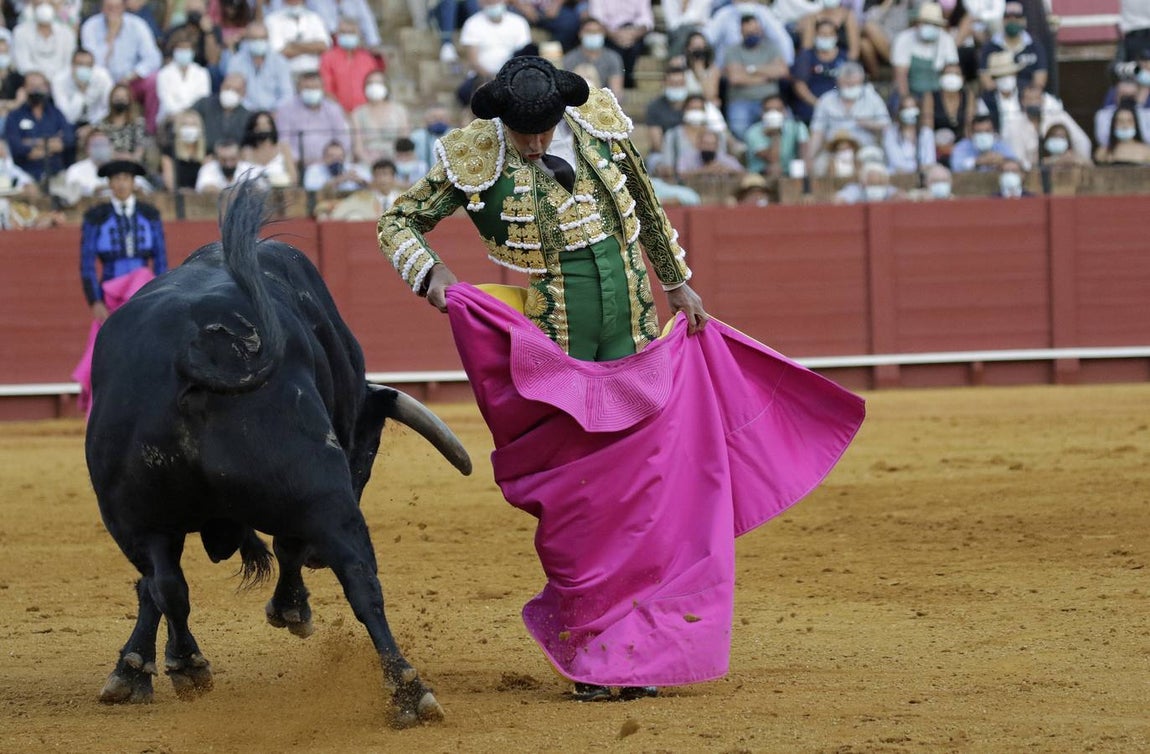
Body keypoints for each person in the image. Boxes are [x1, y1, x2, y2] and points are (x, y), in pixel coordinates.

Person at [377, 54, 863, 704]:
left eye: (544, 130)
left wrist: (678, 282)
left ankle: (640, 646)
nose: (536, 144)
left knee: (647, 496)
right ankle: (589, 648)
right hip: (558, 355)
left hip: (634, 333)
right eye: (524, 134)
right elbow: (396, 221)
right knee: (582, 505)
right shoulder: (474, 155)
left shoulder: (599, 124)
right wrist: (431, 274)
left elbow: (646, 204)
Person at [75, 158, 167, 411]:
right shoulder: (96, 217)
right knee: (108, 352)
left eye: (126, 178)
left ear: (134, 182)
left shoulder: (150, 215)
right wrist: (95, 301)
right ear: (109, 183)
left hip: (144, 293)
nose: (121, 184)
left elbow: (160, 260)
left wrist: (162, 295)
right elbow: (86, 263)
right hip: (111, 295)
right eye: (116, 179)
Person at [79, 0, 162, 132]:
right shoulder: (90, 26)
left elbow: (153, 58)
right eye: (109, 7)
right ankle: (98, 128)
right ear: (102, 8)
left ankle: (149, 130)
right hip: (102, 82)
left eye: (117, 7)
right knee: (98, 77)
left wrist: (131, 76)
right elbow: (91, 62)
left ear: (124, 7)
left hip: (130, 81)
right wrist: (110, 39)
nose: (113, 11)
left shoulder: (137, 25)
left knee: (153, 80)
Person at [806, 62, 890, 176]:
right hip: (834, 150)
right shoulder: (826, 101)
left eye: (854, 84)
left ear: (861, 81)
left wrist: (869, 124)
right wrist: (809, 157)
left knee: (873, 165)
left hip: (865, 149)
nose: (851, 87)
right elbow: (817, 132)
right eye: (847, 84)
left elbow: (886, 126)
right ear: (838, 82)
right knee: (819, 166)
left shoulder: (873, 99)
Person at [722, 13, 790, 140]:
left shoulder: (771, 48)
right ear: (741, 32)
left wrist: (750, 69)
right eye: (748, 33)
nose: (752, 35)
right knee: (739, 129)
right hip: (742, 100)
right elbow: (735, 78)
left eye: (755, 31)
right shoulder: (732, 50)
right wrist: (767, 76)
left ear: (761, 30)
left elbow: (782, 71)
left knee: (788, 127)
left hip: (770, 100)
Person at [5, 70, 74, 182]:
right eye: (32, 86)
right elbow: (17, 147)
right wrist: (51, 144)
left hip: (55, 172)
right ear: (24, 88)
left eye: (40, 86)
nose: (36, 90)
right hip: (26, 174)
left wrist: (30, 142)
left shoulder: (55, 113)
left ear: (46, 88)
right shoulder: (15, 116)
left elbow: (68, 139)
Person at [275, 71, 351, 168]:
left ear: (322, 88)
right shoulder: (286, 110)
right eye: (307, 88)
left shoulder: (333, 108)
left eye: (315, 87)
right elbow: (283, 141)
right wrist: (301, 161)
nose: (311, 91)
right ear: (298, 89)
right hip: (298, 165)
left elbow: (342, 139)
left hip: (331, 164)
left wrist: (331, 158)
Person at [978, 1, 1047, 94]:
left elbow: (1040, 80)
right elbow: (985, 79)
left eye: (1017, 17)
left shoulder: (1034, 46)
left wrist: (1026, 96)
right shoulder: (990, 46)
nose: (1012, 20)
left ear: (1024, 20)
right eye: (1008, 17)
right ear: (1002, 20)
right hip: (998, 96)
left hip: (1028, 96)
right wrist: (1004, 95)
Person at [319, 16, 384, 114]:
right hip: (338, 114)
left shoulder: (367, 58)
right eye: (343, 32)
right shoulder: (328, 58)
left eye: (351, 33)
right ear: (337, 35)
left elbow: (375, 85)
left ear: (359, 35)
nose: (347, 36)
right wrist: (342, 113)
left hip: (366, 113)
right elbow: (327, 90)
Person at [227, 21, 296, 113]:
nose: (258, 42)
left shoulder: (280, 62)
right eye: (254, 39)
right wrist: (248, 112)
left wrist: (274, 112)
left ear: (268, 39)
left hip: (274, 113)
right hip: (244, 113)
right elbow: (233, 91)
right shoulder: (236, 61)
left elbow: (287, 94)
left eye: (262, 38)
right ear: (246, 40)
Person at [791, 18, 850, 125]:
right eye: (822, 34)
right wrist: (820, 105)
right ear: (815, 35)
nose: (826, 37)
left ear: (836, 36)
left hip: (839, 106)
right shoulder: (806, 56)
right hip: (811, 106)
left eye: (829, 34)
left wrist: (838, 106)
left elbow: (850, 83)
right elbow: (799, 86)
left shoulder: (844, 57)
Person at [742, 94, 809, 177]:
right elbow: (773, 160)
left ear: (785, 111)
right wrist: (775, 134)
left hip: (790, 171)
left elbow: (805, 153)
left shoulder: (797, 125)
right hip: (761, 174)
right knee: (774, 168)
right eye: (768, 110)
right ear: (761, 112)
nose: (773, 113)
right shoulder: (753, 132)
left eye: (778, 109)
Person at [350, 70, 409, 163]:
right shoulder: (357, 114)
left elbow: (404, 143)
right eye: (370, 83)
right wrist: (372, 163)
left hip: (396, 162)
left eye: (378, 83)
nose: (374, 86)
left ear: (386, 86)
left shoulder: (399, 111)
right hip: (367, 162)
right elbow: (358, 148)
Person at [52, 48, 115, 135]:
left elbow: (109, 107)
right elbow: (66, 116)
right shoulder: (59, 80)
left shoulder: (103, 77)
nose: (84, 68)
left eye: (88, 65)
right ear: (72, 65)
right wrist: (80, 90)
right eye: (80, 64)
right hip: (71, 123)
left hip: (97, 122)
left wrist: (93, 127)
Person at [156, 33, 212, 124]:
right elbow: (166, 100)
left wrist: (189, 114)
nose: (183, 52)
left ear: (193, 51)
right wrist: (181, 115)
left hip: (195, 118)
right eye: (180, 49)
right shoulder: (164, 74)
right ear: (174, 51)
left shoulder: (202, 73)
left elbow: (203, 98)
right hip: (170, 118)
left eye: (186, 49)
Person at [264, 0, 331, 76]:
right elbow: (280, 51)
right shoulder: (272, 20)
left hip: (313, 72)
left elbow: (324, 46)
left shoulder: (314, 17)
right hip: (287, 74)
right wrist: (312, 47)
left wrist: (293, 45)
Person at [562, 17, 624, 97]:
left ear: (603, 34)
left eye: (597, 31)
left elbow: (616, 92)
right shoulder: (569, 58)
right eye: (589, 31)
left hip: (604, 101)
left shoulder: (613, 58)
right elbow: (566, 91)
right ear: (580, 33)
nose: (593, 34)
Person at [324, 156, 402, 219]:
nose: (382, 179)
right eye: (378, 175)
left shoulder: (404, 199)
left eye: (385, 174)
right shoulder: (362, 197)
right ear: (373, 179)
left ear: (393, 177)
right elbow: (338, 212)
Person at [191, 72, 251, 154]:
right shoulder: (204, 104)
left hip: (234, 159)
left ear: (244, 93)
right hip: (204, 155)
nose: (230, 92)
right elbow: (186, 118)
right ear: (221, 86)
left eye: (236, 90)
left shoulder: (247, 117)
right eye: (227, 87)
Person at [12, 0, 76, 77]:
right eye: (40, 4)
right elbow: (23, 63)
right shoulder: (20, 31)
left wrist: (58, 79)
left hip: (61, 79)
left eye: (49, 4)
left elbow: (68, 63)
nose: (44, 7)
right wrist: (40, 78)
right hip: (32, 79)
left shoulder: (67, 32)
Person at [240, 110, 298, 187]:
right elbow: (240, 179)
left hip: (281, 191)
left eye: (265, 124)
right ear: (253, 128)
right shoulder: (245, 152)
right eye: (258, 125)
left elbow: (293, 178)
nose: (262, 128)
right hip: (253, 193)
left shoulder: (283, 148)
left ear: (271, 127)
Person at [97, 83, 149, 163]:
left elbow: (140, 147)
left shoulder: (138, 122)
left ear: (129, 100)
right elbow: (102, 148)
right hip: (109, 164)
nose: (120, 99)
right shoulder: (103, 124)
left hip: (133, 165)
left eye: (123, 97)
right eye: (117, 97)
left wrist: (131, 158)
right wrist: (118, 156)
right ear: (111, 99)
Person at [883, 95, 935, 174]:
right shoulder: (891, 133)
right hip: (896, 174)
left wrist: (921, 170)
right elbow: (895, 162)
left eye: (912, 107)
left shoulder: (926, 133)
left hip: (924, 174)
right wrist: (915, 169)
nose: (910, 111)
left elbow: (930, 160)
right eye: (906, 108)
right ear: (900, 111)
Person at [950, 113, 1017, 172]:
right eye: (979, 132)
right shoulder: (962, 146)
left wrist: (1003, 160)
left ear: (993, 131)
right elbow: (956, 166)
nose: (983, 135)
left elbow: (1015, 162)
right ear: (971, 134)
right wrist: (978, 162)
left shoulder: (1000, 144)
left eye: (987, 131)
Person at [161, 109, 207, 191]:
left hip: (201, 197)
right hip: (177, 196)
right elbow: (169, 184)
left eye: (193, 125)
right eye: (185, 125)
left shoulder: (206, 153)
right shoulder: (169, 152)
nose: (189, 128)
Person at [302, 138, 369, 193]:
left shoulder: (355, 168)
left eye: (339, 157)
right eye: (331, 156)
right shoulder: (314, 170)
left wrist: (360, 181)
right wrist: (340, 179)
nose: (336, 160)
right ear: (324, 158)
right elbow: (312, 191)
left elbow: (372, 185)